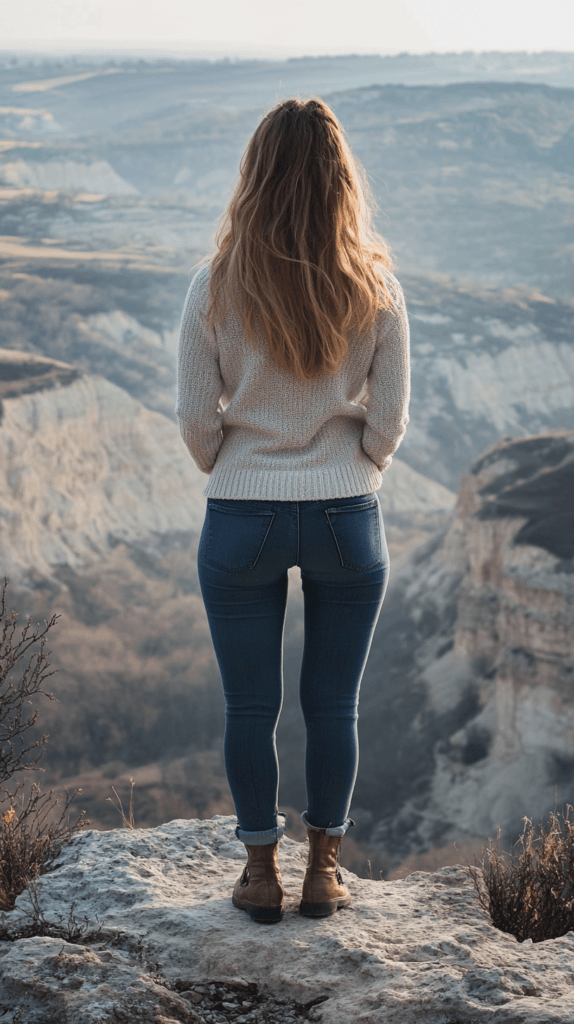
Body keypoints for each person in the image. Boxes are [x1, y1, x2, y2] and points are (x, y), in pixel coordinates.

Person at [176, 97, 410, 924]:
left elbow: (199, 422)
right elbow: (388, 426)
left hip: (242, 514)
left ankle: (255, 875)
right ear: (341, 180)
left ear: (257, 175)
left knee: (250, 706)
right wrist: (348, 467)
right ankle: (325, 872)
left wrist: (240, 464)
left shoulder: (216, 283)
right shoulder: (376, 283)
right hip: (347, 513)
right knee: (333, 703)